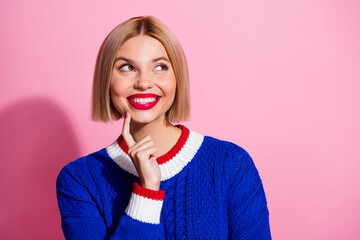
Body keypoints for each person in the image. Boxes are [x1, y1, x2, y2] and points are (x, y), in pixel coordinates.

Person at [56, 16, 271, 239]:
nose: (143, 82)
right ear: (106, 80)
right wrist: (147, 192)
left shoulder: (230, 164)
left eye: (159, 67)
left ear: (177, 78)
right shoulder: (78, 180)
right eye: (127, 67)